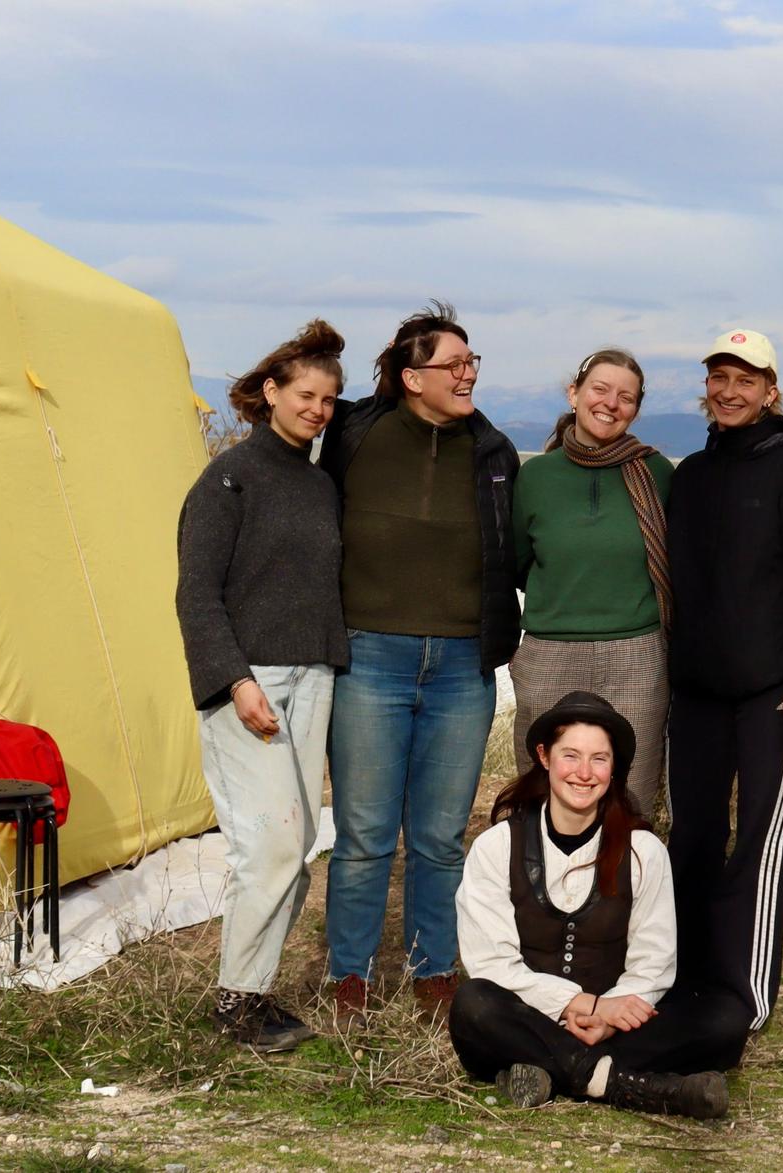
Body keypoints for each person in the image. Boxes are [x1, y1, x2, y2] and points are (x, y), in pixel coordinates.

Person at [317, 302, 520, 1025]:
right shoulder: (349, 434)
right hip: (369, 655)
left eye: (472, 363)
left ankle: (433, 967)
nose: (468, 374)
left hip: (464, 664)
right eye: (453, 364)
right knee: (366, 832)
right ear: (411, 376)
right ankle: (350, 973)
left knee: (439, 834)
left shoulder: (494, 451)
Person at [174, 319, 349, 1052]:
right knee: (270, 845)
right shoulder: (225, 480)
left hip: (315, 676)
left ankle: (256, 995)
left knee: (301, 841)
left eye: (330, 399)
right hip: (250, 683)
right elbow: (195, 595)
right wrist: (236, 682)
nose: (317, 408)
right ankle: (233, 1006)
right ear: (270, 392)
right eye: (305, 394)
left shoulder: (319, 485)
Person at [449, 691, 748, 1118]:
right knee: (474, 1005)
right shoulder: (496, 846)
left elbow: (653, 963)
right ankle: (620, 1084)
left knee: (725, 1019)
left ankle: (545, 1069)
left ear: (614, 770)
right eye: (570, 755)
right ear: (544, 757)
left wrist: (609, 1013)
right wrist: (581, 1005)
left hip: (613, 1025)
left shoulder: (643, 850)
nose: (584, 773)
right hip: (526, 1015)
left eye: (599, 760)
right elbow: (492, 965)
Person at [665, 328, 783, 1032]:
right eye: (719, 378)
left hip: (773, 696)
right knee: (694, 838)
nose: (730, 392)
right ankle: (685, 977)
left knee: (759, 845)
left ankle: (747, 997)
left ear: (771, 391)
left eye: (746, 380)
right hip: (697, 692)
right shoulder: (693, 475)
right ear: (706, 389)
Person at [510, 349, 675, 815]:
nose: (610, 403)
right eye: (600, 389)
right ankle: (539, 885)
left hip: (637, 653)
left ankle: (621, 886)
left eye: (626, 397)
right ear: (575, 393)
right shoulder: (535, 476)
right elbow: (521, 562)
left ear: (636, 409)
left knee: (632, 793)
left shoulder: (658, 474)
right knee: (542, 789)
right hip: (549, 652)